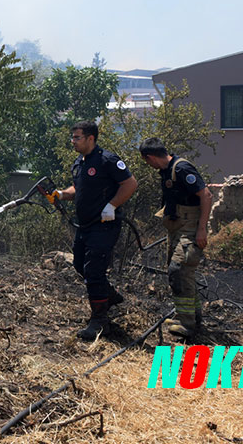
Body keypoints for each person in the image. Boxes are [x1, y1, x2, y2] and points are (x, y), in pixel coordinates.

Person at [47, 121, 137, 340]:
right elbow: (78, 189)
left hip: (104, 225)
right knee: (80, 265)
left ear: (91, 138)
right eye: (73, 137)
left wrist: (112, 205)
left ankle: (99, 322)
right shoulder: (79, 162)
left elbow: (130, 184)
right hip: (85, 225)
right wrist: (61, 194)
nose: (73, 141)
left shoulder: (108, 160)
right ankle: (108, 295)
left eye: (77, 137)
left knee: (94, 270)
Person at [139, 137, 213, 338]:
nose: (149, 165)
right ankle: (190, 316)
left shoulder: (181, 169)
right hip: (177, 228)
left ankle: (187, 324)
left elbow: (206, 195)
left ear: (151, 157)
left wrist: (202, 229)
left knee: (179, 270)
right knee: (181, 273)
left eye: (147, 161)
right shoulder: (166, 171)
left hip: (190, 228)